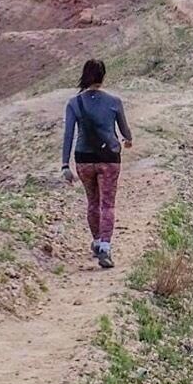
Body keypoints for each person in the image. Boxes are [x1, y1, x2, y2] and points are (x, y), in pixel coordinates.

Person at [60, 58, 132, 268]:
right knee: (107, 204)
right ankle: (105, 248)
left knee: (92, 202)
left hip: (84, 159)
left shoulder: (74, 103)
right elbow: (124, 131)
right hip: (109, 159)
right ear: (103, 76)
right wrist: (128, 140)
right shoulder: (114, 101)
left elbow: (68, 135)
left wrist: (65, 165)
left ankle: (97, 240)